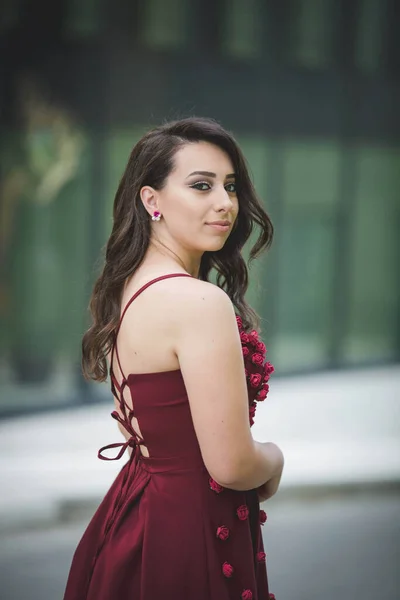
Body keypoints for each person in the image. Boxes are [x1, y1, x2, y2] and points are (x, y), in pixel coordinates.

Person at [63, 116, 284, 600]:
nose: (225, 203)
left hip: (137, 512)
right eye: (201, 186)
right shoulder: (197, 302)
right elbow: (230, 464)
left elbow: (139, 427)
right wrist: (273, 459)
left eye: (230, 186)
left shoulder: (130, 290)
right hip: (189, 532)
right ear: (151, 200)